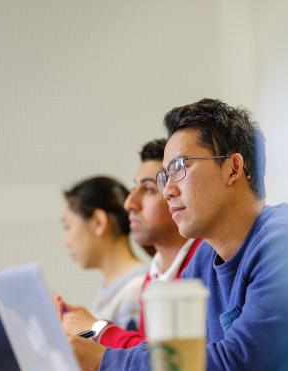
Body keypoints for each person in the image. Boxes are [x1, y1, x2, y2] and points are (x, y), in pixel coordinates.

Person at [67, 99, 288, 371]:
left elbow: (239, 363)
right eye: (164, 176)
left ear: (233, 168)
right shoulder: (203, 258)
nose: (168, 190)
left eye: (180, 167)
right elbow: (177, 356)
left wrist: (104, 364)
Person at [57, 139, 202, 347]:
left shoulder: (203, 266)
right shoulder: (154, 275)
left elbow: (160, 356)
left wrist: (95, 328)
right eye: (135, 188)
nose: (129, 203)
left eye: (149, 189)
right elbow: (147, 354)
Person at [58, 176, 148, 330]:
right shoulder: (115, 289)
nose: (66, 242)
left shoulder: (136, 290)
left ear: (99, 222)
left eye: (68, 226)